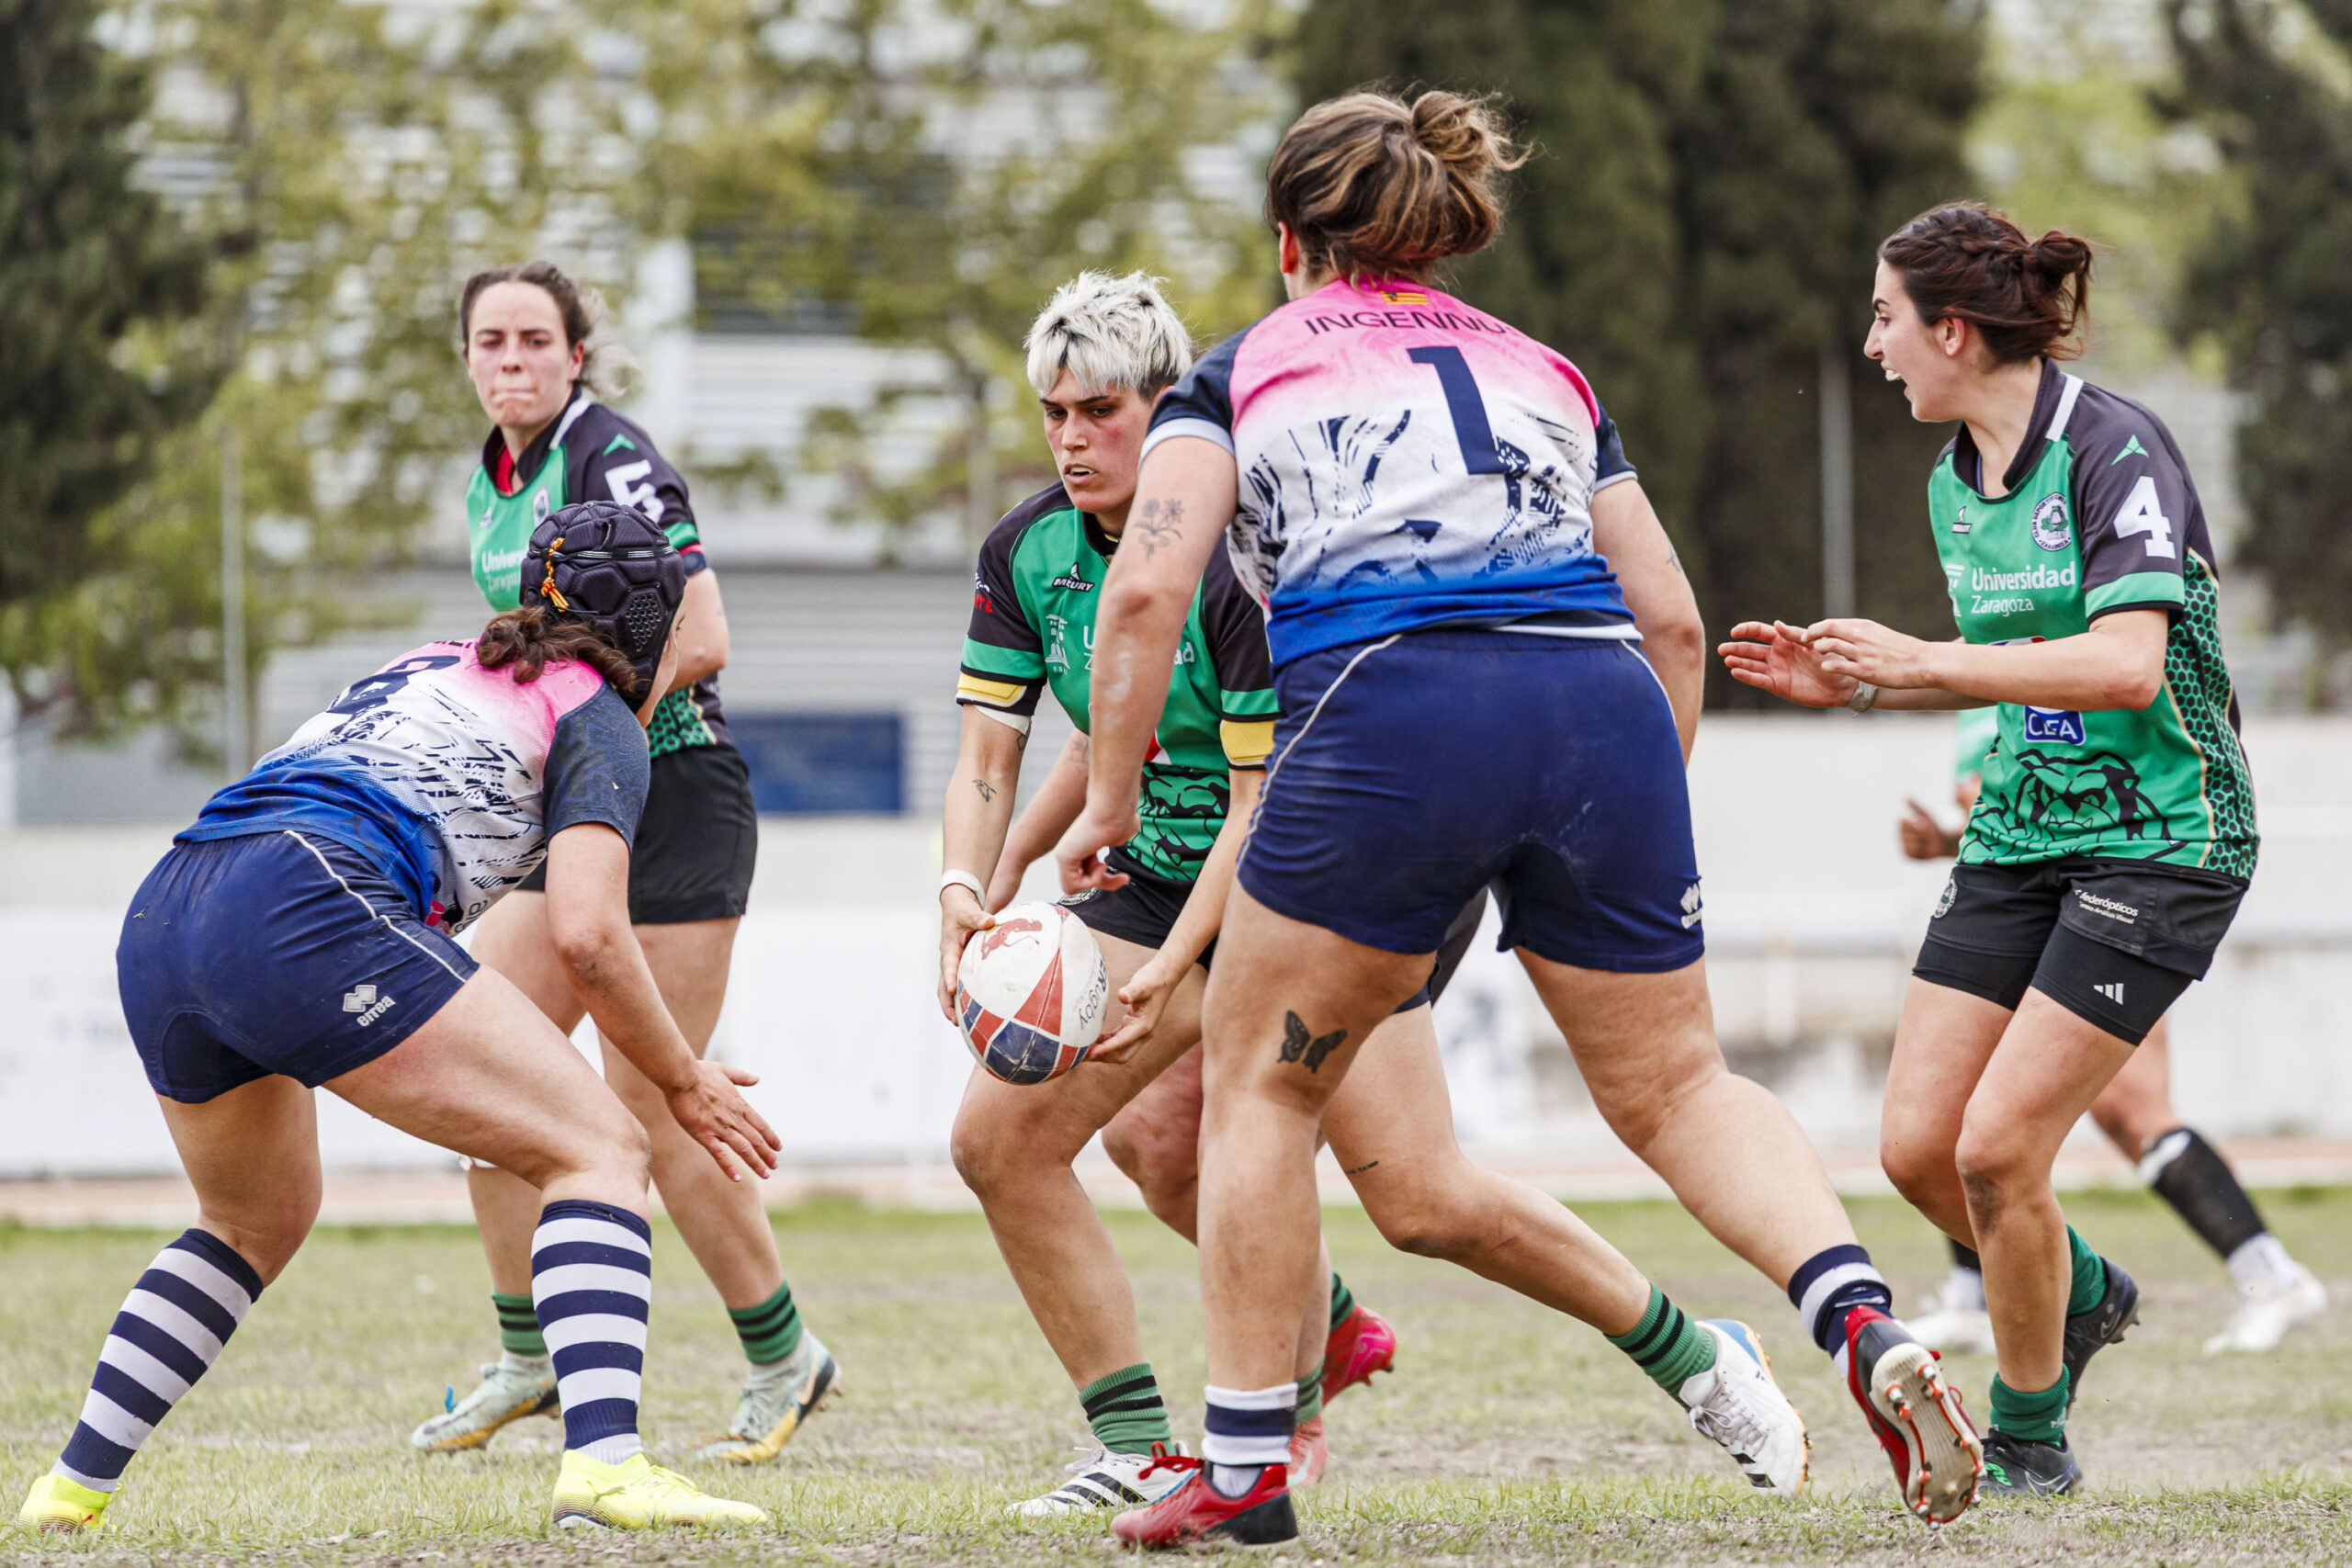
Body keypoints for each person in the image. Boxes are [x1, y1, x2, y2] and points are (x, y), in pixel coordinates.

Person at [1054, 91, 1980, 1550]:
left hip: (1389, 704)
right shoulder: (1544, 365)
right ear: (1432, 239)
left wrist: (1109, 801)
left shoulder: (1240, 371)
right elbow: (1671, 618)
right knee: (1679, 1084)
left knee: (1263, 1079)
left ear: (1289, 238)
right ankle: (1859, 1313)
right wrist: (1610, 816)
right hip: (1598, 705)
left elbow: (1150, 592)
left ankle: (1243, 1464)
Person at [945, 273, 1804, 1520]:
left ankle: (1697, 1352)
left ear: (1170, 405)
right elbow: (1042, 748)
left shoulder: (1235, 553)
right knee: (1015, 1137)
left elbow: (1252, 801)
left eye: (1103, 408)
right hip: (1159, 880)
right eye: (1053, 411)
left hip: (1323, 860)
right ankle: (1152, 1433)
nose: (1074, 437)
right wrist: (974, 886)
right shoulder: (1026, 553)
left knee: (1420, 1195)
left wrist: (1164, 963)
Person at [18, 505, 773, 1535]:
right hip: (303, 895)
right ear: (660, 629)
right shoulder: (596, 715)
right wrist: (684, 1077)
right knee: (601, 1146)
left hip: (169, 906)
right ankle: (605, 1464)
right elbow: (589, 933)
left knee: (250, 1221)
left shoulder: (433, 659)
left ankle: (69, 1490)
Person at [1723, 202, 2261, 1497]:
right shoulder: (1954, 480)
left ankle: (2029, 1435)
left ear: (1952, 329)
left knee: (1998, 1148)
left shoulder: (2114, 447)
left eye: (1885, 318)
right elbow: (2014, 678)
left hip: (2162, 837)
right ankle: (2079, 1290)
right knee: (1918, 1147)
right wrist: (1857, 686)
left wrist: (1920, 660)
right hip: (2024, 828)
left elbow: (2127, 666)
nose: (1870, 346)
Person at [413, 261, 834, 1466]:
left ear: (576, 355)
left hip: (680, 796)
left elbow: (703, 632)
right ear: (467, 359)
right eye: (489, 340)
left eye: (535, 339)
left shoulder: (613, 457)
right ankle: (525, 1356)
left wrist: (596, 726)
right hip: (579, 807)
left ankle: (783, 1351)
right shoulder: (491, 477)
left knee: (652, 1095)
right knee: (478, 1053)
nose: (511, 360)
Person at [1902, 714, 2324, 1356]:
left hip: (2115, 888)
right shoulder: (1977, 662)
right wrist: (1948, 837)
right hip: (2026, 894)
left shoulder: (2091, 631)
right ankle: (1973, 1293)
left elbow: (2132, 772)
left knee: (2134, 1111)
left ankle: (2270, 1274)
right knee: (1961, 1104)